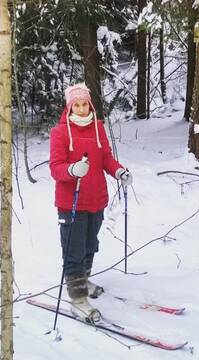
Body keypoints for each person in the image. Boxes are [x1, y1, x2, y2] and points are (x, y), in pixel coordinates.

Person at [49, 83, 133, 322]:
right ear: (70, 106)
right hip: (71, 202)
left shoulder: (98, 128)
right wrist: (72, 169)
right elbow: (55, 168)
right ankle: (77, 299)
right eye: (77, 104)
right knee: (73, 251)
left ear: (90, 104)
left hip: (96, 200)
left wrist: (119, 172)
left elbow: (106, 157)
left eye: (85, 103)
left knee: (89, 245)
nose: (82, 108)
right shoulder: (60, 132)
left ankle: (84, 279)